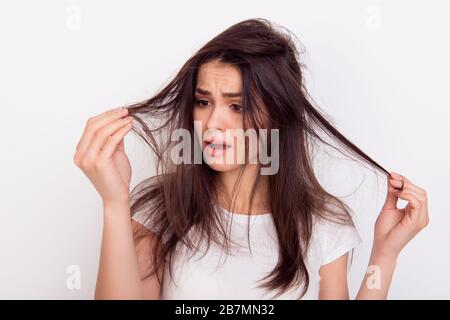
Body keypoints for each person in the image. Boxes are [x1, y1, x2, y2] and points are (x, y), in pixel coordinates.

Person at [73, 18, 429, 299]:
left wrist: (385, 255)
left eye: (237, 106)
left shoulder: (324, 225)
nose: (212, 124)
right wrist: (114, 204)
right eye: (203, 101)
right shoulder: (161, 212)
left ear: (278, 115)